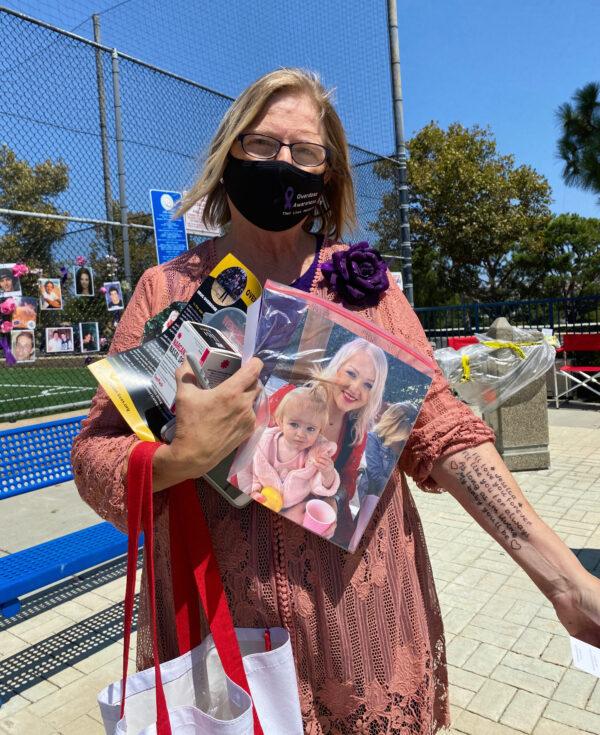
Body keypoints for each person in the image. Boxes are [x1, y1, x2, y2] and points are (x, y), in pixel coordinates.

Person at [72, 69, 600, 734]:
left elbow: (444, 433)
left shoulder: (365, 291)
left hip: (361, 635)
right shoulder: (169, 291)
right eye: (262, 144)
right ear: (229, 151)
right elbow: (96, 455)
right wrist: (182, 456)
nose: (282, 163)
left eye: (305, 151)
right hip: (218, 630)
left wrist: (565, 579)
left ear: (328, 173)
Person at [267, 338, 388, 545]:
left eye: (368, 385)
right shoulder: (292, 397)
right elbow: (253, 449)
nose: (356, 388)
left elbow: (348, 483)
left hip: (312, 523)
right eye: (351, 373)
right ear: (337, 367)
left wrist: (334, 501)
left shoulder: (356, 432)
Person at [237, 384, 340, 511]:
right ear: (280, 421)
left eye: (310, 429)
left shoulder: (315, 456)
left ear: (319, 431)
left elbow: (320, 487)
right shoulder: (264, 443)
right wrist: (253, 491)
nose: (301, 434)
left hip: (293, 506)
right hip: (263, 496)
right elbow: (246, 468)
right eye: (294, 424)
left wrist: (327, 473)